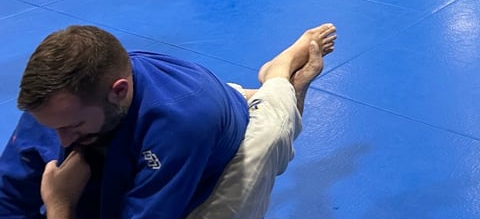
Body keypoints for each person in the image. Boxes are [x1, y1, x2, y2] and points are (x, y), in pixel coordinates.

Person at [0, 23, 336, 219]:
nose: (60, 139)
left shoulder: (179, 128)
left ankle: (280, 73)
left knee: (274, 130)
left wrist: (60, 204)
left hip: (230, 143)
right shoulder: (58, 107)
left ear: (118, 91)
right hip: (189, 99)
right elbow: (9, 197)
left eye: (71, 127)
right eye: (53, 126)